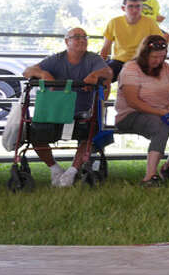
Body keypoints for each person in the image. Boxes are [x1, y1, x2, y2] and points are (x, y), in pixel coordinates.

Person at [21, 26, 113, 187]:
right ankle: (55, 169)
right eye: (76, 37)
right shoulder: (56, 59)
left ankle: (71, 172)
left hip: (82, 111)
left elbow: (108, 72)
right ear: (66, 41)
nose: (81, 39)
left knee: (89, 133)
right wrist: (42, 74)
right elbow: (27, 72)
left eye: (84, 37)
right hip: (55, 111)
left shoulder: (93, 59)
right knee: (34, 133)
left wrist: (95, 74)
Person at [115, 35, 169, 186]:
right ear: (145, 54)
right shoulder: (131, 68)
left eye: (162, 56)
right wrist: (161, 112)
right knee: (160, 127)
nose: (158, 60)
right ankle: (149, 176)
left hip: (163, 112)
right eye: (154, 57)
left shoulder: (164, 67)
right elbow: (133, 101)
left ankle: (168, 166)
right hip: (131, 114)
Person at [100, 0, 169, 80]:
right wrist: (100, 66)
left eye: (138, 6)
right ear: (123, 8)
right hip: (119, 61)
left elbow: (160, 43)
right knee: (102, 77)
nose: (135, 10)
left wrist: (164, 41)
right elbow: (105, 48)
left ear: (142, 8)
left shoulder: (150, 22)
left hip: (142, 62)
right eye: (131, 6)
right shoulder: (114, 22)